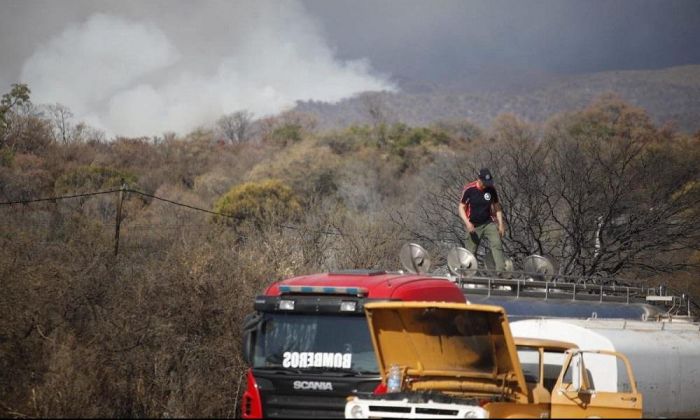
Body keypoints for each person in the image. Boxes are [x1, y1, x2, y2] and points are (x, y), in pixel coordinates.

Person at [458, 168, 506, 272]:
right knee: (470, 251)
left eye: (488, 182)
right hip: (474, 225)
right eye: (484, 182)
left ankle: (502, 272)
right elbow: (461, 207)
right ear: (479, 180)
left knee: (497, 244)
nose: (486, 185)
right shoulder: (469, 189)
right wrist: (467, 223)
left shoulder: (491, 189)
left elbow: (497, 207)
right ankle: (469, 274)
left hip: (488, 222)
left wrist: (501, 224)